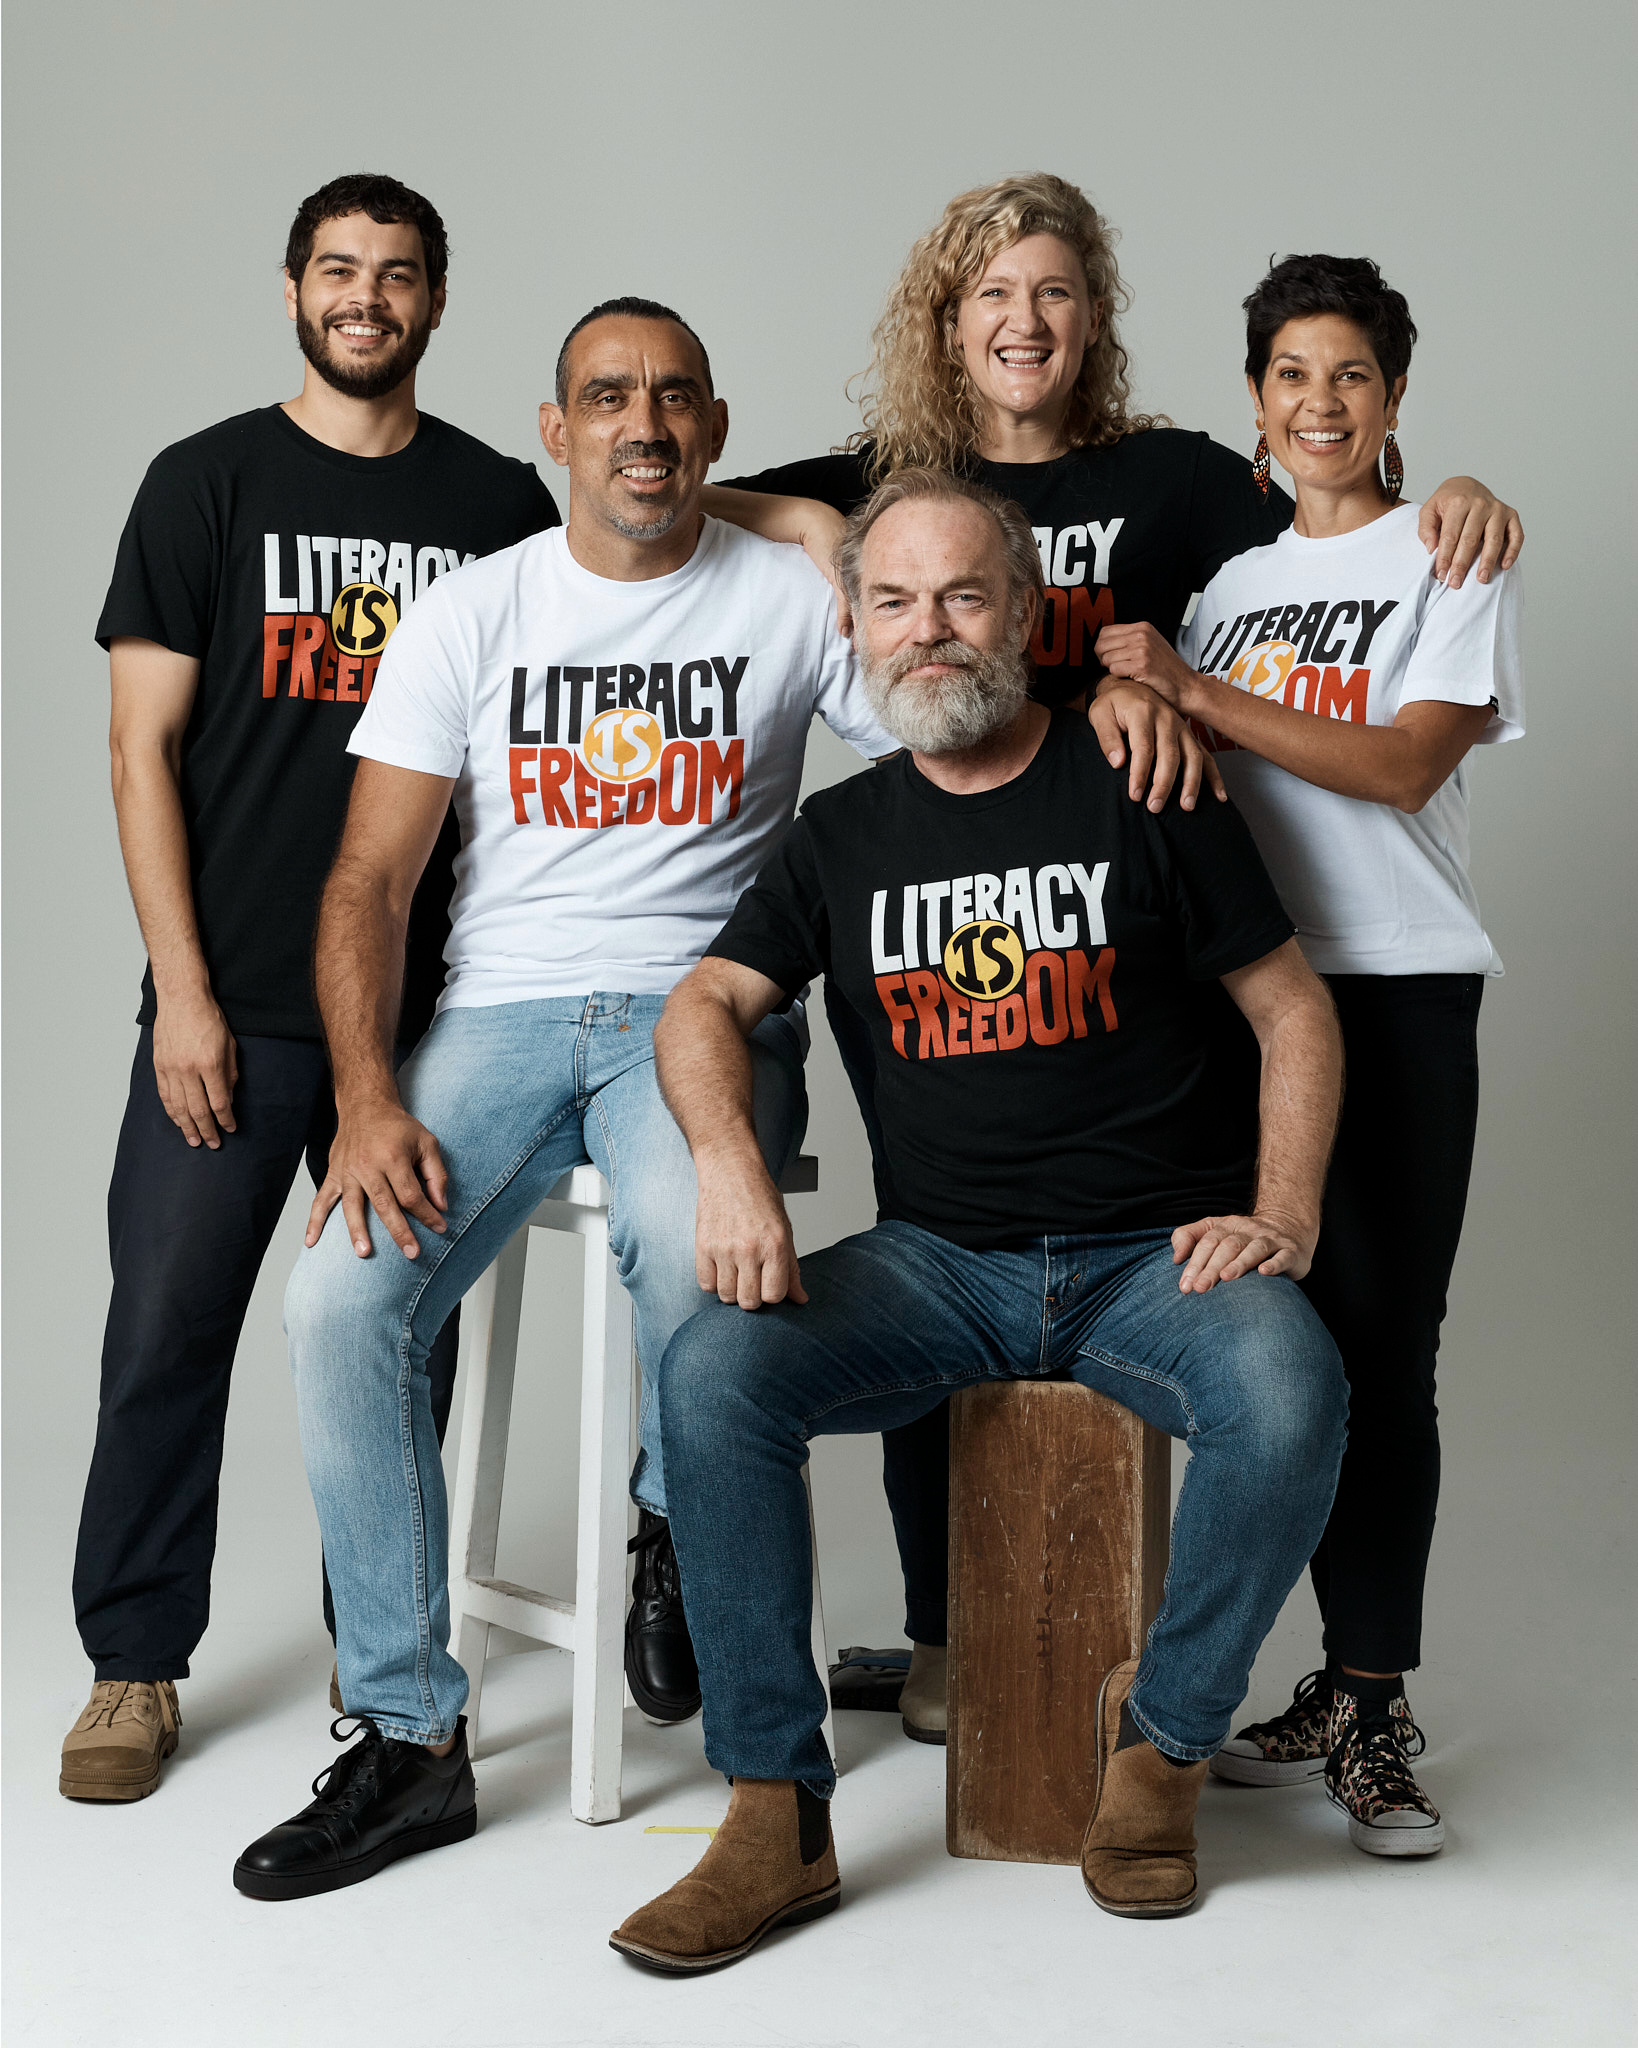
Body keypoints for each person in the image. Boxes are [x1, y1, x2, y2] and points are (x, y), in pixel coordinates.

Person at [700, 172, 1523, 1742]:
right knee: (955, 1227)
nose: (1024, 320)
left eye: (1056, 292)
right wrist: (814, 518)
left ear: (1095, 320)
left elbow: (1326, 510)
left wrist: (1448, 493)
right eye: (991, 294)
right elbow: (668, 489)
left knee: (1310, 1319)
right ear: (947, 319)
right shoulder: (899, 475)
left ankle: (1306, 1689)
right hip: (1013, 903)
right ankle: (964, 1639)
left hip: (1209, 913)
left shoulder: (1179, 484)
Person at [611, 466, 1350, 1969]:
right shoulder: (837, 835)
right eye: (893, 601)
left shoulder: (1139, 779)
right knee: (711, 1370)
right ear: (855, 623)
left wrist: (1280, 1209)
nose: (927, 630)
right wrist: (730, 1168)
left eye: (961, 596)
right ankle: (774, 1811)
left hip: (1156, 1260)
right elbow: (704, 1003)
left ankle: (1157, 1755)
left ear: (1022, 611)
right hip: (937, 1265)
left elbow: (1290, 1010)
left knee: (1289, 1388)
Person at [230, 297, 899, 1901]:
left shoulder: (793, 597)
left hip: (701, 1009)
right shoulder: (472, 611)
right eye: (608, 399)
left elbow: (952, 722)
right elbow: (369, 880)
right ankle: (408, 1741)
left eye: (674, 400)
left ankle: (670, 1514)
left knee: (696, 1265)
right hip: (501, 1018)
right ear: (555, 432)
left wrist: (834, 538)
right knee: (338, 1303)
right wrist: (371, 1098)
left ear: (717, 429)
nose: (643, 426)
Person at [62, 173, 559, 1808]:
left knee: (387, 1345)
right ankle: (132, 1665)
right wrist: (183, 994)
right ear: (294, 290)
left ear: (433, 302)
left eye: (397, 274)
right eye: (339, 271)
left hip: (414, 1026)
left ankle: (387, 1666)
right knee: (164, 1331)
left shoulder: (496, 505)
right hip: (229, 1010)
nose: (367, 298)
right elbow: (141, 754)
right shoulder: (203, 484)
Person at [1095, 254, 1524, 1857]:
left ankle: (1371, 1704)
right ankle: (1236, 1688)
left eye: (1351, 375)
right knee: (1259, 1354)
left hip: (1397, 990)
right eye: (1290, 375)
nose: (1320, 403)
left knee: (1380, 1348)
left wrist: (1195, 694)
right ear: (1256, 405)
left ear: (1393, 400)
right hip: (1242, 1003)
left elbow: (1407, 767)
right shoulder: (1226, 585)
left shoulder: (1452, 553)